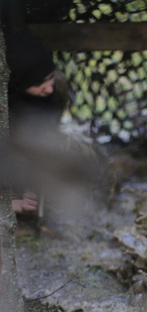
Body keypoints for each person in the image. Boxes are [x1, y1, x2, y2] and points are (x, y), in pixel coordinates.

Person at [3, 31, 71, 216]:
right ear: (17, 82)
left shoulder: (54, 89)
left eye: (49, 77)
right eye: (39, 82)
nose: (49, 88)